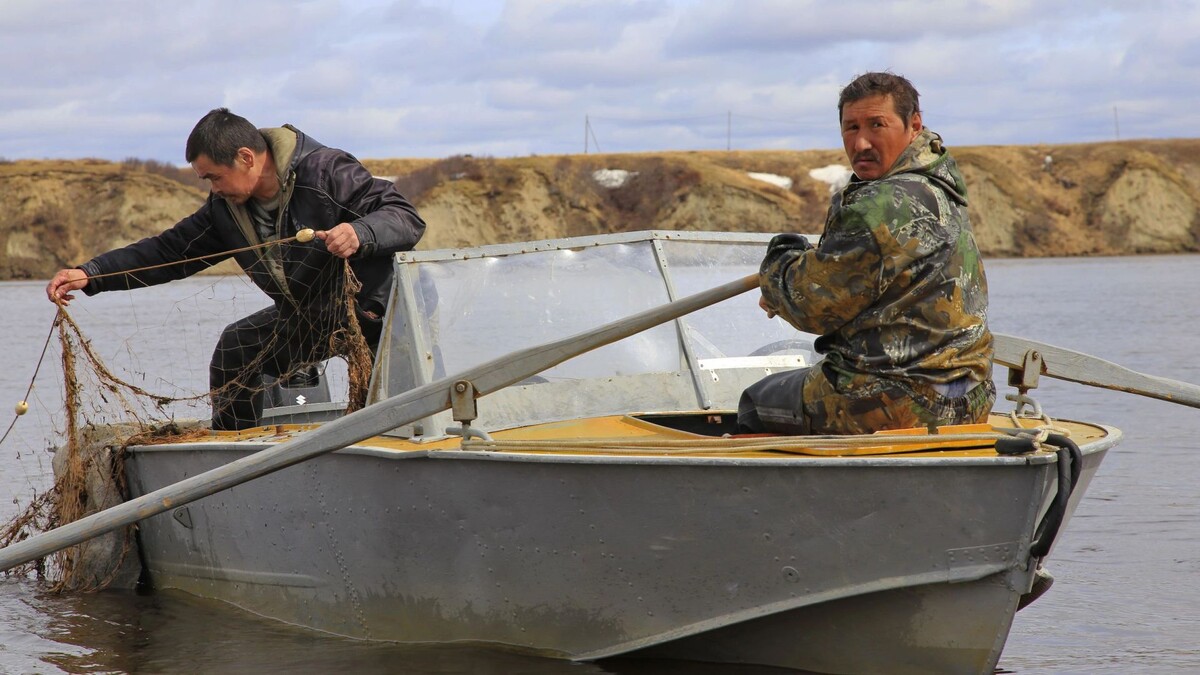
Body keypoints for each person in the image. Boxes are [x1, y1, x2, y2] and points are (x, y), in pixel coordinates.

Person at [46, 108, 426, 431]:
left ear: (246, 157)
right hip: (314, 317)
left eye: (213, 176)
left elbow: (406, 218)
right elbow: (167, 251)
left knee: (399, 417)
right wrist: (91, 274)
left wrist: (360, 232)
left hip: (382, 311)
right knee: (238, 349)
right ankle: (234, 456)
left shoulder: (327, 171)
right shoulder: (224, 211)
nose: (213, 188)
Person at [737, 72, 994, 435]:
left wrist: (781, 264)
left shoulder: (877, 205)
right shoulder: (941, 187)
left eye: (877, 125)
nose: (860, 144)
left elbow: (811, 309)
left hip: (897, 399)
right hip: (970, 399)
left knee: (756, 402)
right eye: (851, 128)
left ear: (914, 125)